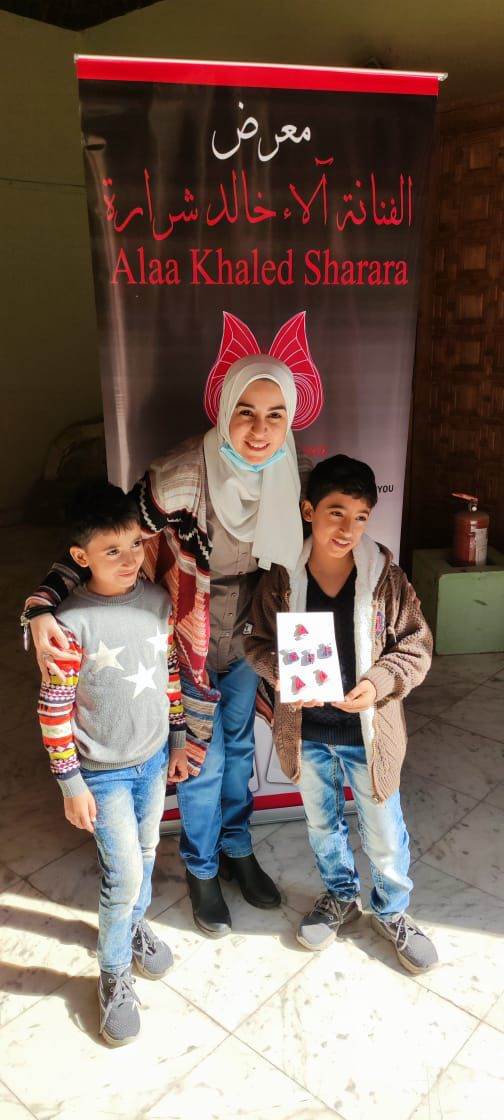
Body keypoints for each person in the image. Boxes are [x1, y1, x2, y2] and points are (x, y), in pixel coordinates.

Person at [24, 339, 316, 937]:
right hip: (189, 640)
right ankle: (202, 868)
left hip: (252, 637)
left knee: (240, 751)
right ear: (225, 409)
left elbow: (327, 551)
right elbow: (108, 543)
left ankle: (237, 849)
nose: (261, 430)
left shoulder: (295, 474)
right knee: (204, 761)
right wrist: (41, 605)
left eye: (275, 414)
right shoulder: (178, 477)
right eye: (246, 412)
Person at [243, 454, 438, 974]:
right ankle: (340, 894)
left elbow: (416, 645)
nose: (347, 529)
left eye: (360, 517)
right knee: (322, 823)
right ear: (308, 511)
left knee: (383, 829)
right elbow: (255, 642)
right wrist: (286, 676)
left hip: (367, 735)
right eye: (335, 513)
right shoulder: (282, 579)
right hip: (307, 734)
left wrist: (377, 684)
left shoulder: (386, 579)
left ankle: (392, 910)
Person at [37, 481, 188, 1045]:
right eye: (111, 551)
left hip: (153, 759)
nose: (129, 560)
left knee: (146, 854)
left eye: (134, 546)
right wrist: (70, 782)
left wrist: (178, 739)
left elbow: (170, 673)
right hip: (101, 774)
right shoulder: (68, 623)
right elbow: (53, 710)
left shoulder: (157, 602)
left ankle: (133, 925)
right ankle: (114, 971)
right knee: (122, 874)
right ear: (81, 557)